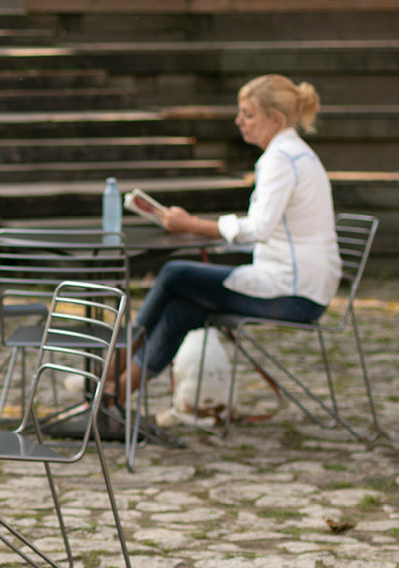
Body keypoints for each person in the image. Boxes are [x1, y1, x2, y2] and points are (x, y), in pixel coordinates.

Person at [110, 74, 340, 399]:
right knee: (182, 311)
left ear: (275, 120)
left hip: (293, 294)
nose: (239, 121)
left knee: (175, 273)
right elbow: (268, 229)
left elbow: (258, 228)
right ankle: (115, 393)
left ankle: (108, 368)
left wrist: (191, 224)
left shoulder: (281, 159)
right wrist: (203, 230)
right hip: (302, 287)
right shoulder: (295, 153)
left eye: (248, 114)